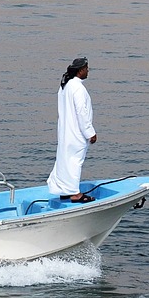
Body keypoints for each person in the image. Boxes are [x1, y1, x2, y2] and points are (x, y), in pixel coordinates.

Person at [46, 56, 97, 203]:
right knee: (75, 161)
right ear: (80, 71)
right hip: (76, 132)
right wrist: (90, 132)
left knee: (64, 160)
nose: (88, 71)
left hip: (65, 130)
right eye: (86, 69)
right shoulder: (78, 88)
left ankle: (64, 190)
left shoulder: (65, 85)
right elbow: (82, 112)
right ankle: (75, 193)